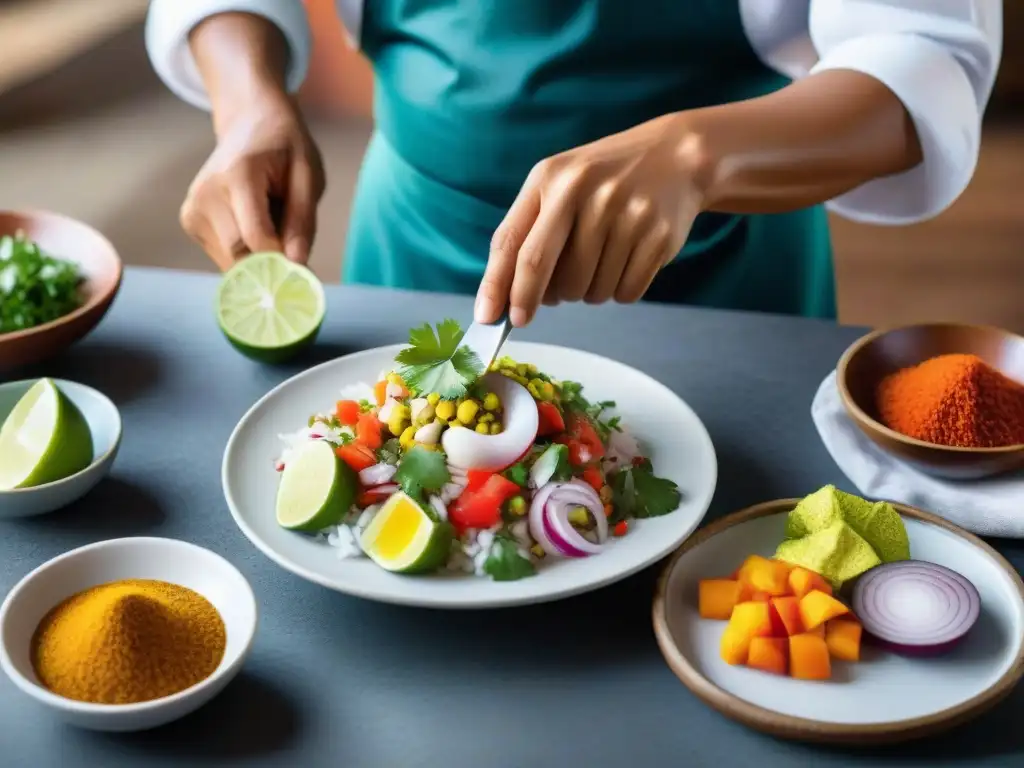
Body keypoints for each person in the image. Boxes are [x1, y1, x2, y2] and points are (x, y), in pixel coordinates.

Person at [145, 1, 1002, 327]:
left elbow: (921, 58)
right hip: (412, 261)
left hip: (720, 282)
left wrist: (697, 155)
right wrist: (249, 98)